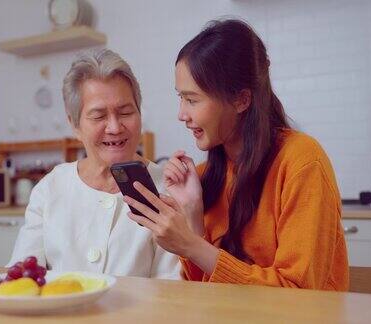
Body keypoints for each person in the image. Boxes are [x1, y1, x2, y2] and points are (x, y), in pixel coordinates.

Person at [123, 19, 348, 290]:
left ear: (241, 100)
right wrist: (193, 215)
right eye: (180, 98)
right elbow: (202, 293)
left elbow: (298, 293)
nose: (181, 114)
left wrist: (191, 245)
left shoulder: (302, 162)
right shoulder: (205, 176)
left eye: (192, 100)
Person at [9, 49, 180, 279]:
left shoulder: (169, 190)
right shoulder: (50, 189)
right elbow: (22, 279)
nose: (114, 127)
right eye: (99, 116)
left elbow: (172, 292)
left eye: (126, 112)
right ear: (74, 125)